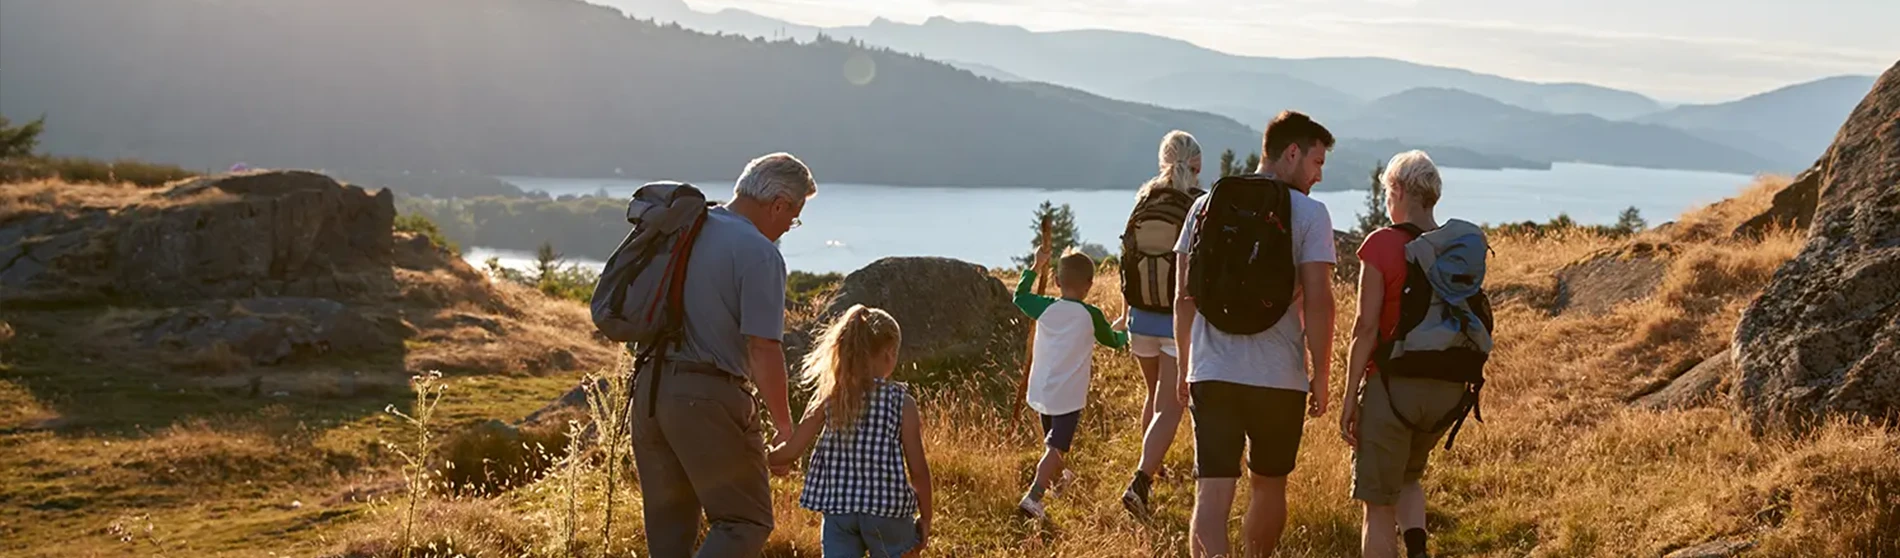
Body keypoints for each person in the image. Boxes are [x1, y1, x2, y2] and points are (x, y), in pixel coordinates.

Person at [631, 152, 814, 558]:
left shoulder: (686, 228)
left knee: (670, 535)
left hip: (647, 390)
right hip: (706, 397)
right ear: (779, 204)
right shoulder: (758, 252)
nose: (788, 226)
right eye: (793, 217)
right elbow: (763, 347)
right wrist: (785, 428)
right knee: (744, 521)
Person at [1175, 111, 1338, 557]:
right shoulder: (1309, 214)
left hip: (1212, 371)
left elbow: (1183, 297)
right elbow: (1321, 302)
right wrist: (1320, 375)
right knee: (1267, 487)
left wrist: (1185, 365)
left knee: (1211, 495)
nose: (1318, 175)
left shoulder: (1205, 205)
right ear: (1291, 153)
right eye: (1316, 163)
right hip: (1278, 378)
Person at [1341, 150, 1465, 558]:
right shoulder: (1455, 248)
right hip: (1446, 390)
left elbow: (1364, 328)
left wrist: (1348, 400)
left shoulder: (1381, 245)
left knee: (1377, 506)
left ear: (1396, 191)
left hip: (1393, 389)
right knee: (1409, 478)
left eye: (1387, 192)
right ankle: (1416, 549)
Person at [770, 305, 934, 558]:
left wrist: (766, 456)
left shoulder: (829, 396)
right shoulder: (901, 403)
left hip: (839, 512)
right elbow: (918, 470)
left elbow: (791, 451)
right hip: (887, 512)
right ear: (890, 354)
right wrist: (926, 518)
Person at [1118, 130, 1203, 520]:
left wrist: (1125, 312)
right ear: (1195, 165)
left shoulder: (1144, 198)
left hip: (1139, 318)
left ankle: (1152, 464)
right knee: (1172, 405)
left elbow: (1126, 259)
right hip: (1173, 319)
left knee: (1153, 394)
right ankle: (1141, 480)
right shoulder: (1196, 204)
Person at [1015, 246, 1130, 520]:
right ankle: (1033, 497)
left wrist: (1035, 264)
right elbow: (1113, 341)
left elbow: (1020, 297)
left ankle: (1058, 482)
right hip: (1068, 396)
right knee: (1057, 447)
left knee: (1052, 445)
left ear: (1056, 280)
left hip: (1043, 389)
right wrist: (1124, 330)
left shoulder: (1045, 307)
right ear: (1089, 286)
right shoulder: (1092, 315)